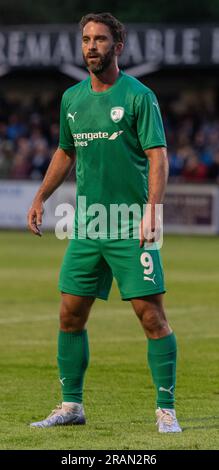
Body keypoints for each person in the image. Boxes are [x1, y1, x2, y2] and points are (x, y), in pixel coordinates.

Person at [28, 12, 181, 433]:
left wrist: (153, 209)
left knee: (152, 318)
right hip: (88, 227)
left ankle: (165, 409)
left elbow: (158, 156)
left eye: (100, 39)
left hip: (131, 225)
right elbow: (65, 152)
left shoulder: (138, 96)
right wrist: (41, 195)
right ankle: (71, 405)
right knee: (69, 316)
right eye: (86, 40)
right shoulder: (72, 99)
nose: (91, 46)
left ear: (118, 46)